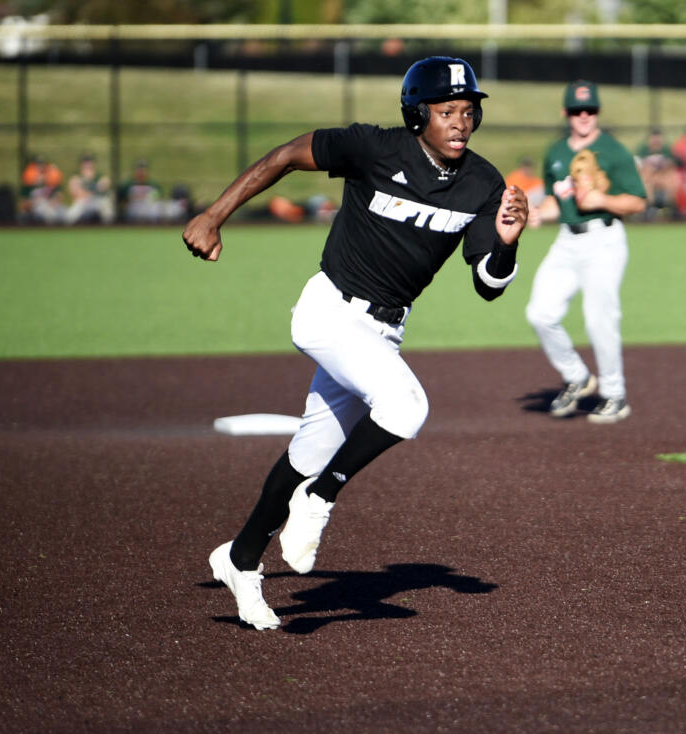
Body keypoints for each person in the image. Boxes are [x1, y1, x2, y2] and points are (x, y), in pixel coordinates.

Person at [182, 56, 528, 630]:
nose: (461, 121)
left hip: (382, 332)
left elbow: (488, 284)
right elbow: (286, 155)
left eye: (470, 111)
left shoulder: (482, 184)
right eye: (447, 111)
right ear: (418, 114)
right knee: (406, 406)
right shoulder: (374, 148)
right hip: (328, 311)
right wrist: (215, 214)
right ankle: (321, 499)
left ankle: (240, 559)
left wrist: (509, 243)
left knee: (306, 454)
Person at [525, 79, 646, 424]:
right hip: (566, 240)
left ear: (597, 112)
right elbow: (555, 200)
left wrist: (603, 200)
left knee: (599, 319)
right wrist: (538, 213)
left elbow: (637, 200)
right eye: (577, 110)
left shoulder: (614, 151)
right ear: (565, 113)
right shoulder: (556, 152)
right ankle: (577, 376)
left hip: (604, 240)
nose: (584, 115)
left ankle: (614, 394)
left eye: (590, 109)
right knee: (540, 313)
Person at [118, 159, 189, 223]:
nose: (141, 173)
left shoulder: (154, 185)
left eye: (143, 170)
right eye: (139, 170)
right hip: (134, 211)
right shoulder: (128, 185)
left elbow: (160, 199)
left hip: (150, 211)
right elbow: (121, 199)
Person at [635, 128, 679, 217]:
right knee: (646, 180)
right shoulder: (643, 149)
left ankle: (668, 208)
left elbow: (672, 164)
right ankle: (649, 208)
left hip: (663, 175)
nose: (656, 141)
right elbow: (638, 165)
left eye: (658, 138)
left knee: (671, 179)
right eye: (653, 138)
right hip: (649, 176)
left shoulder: (666, 149)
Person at [66, 153, 114, 224]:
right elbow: (75, 193)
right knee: (70, 214)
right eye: (85, 165)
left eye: (90, 165)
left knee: (106, 206)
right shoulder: (76, 177)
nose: (88, 167)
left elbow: (106, 184)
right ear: (81, 166)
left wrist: (89, 188)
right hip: (83, 202)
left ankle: (110, 228)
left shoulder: (99, 176)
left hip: (97, 201)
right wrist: (87, 183)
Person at [19, 155, 66, 224]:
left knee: (62, 211)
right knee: (42, 210)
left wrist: (52, 202)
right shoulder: (29, 183)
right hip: (35, 209)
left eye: (42, 165)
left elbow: (59, 197)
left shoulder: (51, 180)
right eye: (38, 165)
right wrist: (34, 203)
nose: (40, 168)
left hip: (51, 206)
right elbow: (23, 204)